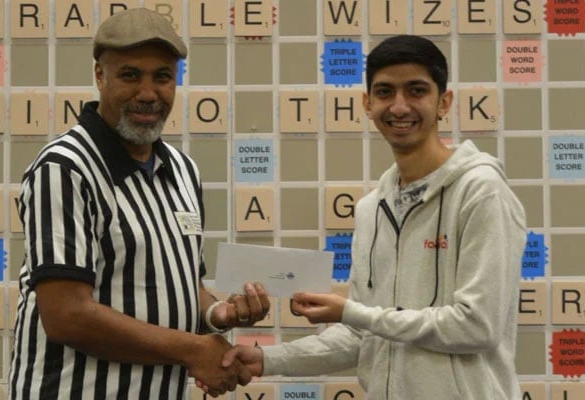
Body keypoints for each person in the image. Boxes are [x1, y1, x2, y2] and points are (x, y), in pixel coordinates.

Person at [217, 35, 527, 399]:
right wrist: (267, 359)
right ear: (367, 103)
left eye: (416, 91)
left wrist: (353, 312)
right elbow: (360, 336)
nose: (399, 106)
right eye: (384, 92)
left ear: (444, 102)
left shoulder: (481, 191)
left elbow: (477, 326)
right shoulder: (371, 209)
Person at [8, 8, 269, 399]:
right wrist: (194, 350)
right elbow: (67, 316)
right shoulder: (64, 168)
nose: (148, 93)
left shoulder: (183, 171)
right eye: (131, 75)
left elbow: (180, 286)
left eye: (162, 77)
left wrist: (218, 315)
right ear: (100, 75)